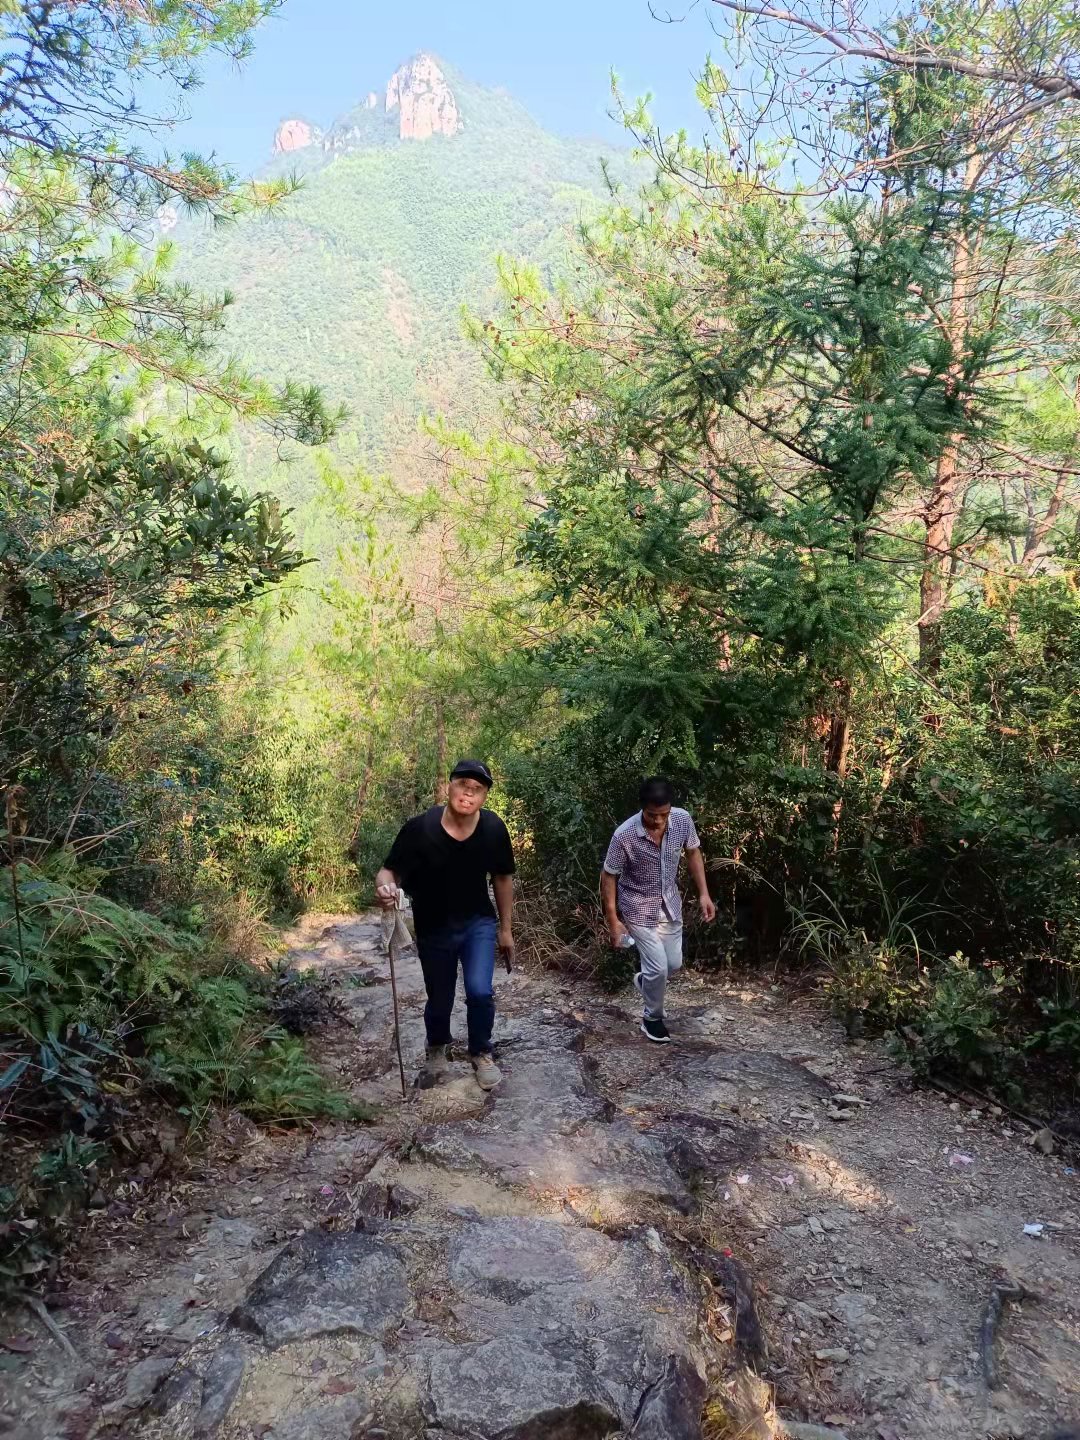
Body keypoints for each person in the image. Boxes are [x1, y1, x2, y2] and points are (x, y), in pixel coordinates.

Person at [375, 759, 515, 1090]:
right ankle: (437, 1048)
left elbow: (502, 878)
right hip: (434, 926)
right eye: (463, 785)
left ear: (484, 797)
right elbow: (389, 871)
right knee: (440, 996)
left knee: (480, 991)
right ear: (448, 787)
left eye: (477, 789)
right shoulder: (419, 828)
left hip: (477, 923)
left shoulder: (493, 829)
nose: (468, 793)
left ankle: (481, 1051)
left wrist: (505, 929)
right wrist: (384, 888)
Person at [601, 777, 716, 1043]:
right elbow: (608, 875)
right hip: (636, 906)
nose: (658, 821)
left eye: (663, 814)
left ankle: (646, 981)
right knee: (659, 968)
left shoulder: (682, 820)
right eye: (652, 815)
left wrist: (704, 894)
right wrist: (613, 920)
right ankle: (652, 1019)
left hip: (669, 904)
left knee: (672, 964)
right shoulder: (625, 835)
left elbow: (694, 852)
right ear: (642, 808)